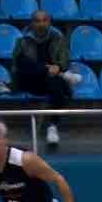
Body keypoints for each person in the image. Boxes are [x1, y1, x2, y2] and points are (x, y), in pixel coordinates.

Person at [11, 11, 80, 149]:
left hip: (51, 81)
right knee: (24, 61)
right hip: (31, 81)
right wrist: (46, 68)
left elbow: (64, 61)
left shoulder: (58, 39)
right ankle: (56, 73)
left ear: (49, 22)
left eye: (44, 20)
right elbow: (16, 66)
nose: (41, 23)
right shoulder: (23, 41)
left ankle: (52, 127)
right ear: (32, 23)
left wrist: (58, 67)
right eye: (37, 20)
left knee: (56, 82)